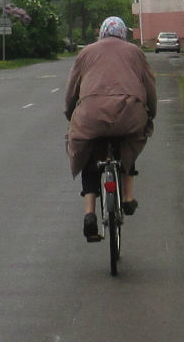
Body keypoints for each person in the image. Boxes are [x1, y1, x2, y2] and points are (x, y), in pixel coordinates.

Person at [64, 16, 157, 242]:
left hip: (91, 115)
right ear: (123, 33)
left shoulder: (86, 53)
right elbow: (149, 86)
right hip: (129, 112)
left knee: (88, 155)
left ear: (102, 33)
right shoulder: (135, 53)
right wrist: (150, 113)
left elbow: (72, 90)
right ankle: (127, 197)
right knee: (129, 140)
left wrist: (71, 115)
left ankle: (89, 213)